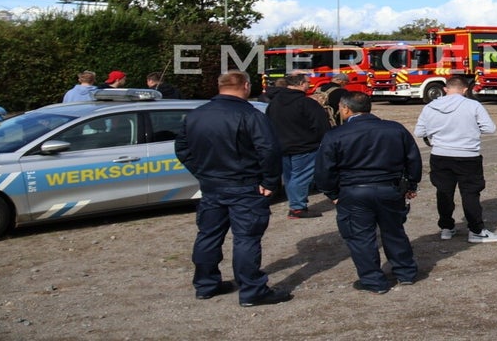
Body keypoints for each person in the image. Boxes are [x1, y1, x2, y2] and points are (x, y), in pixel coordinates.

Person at [175, 70, 290, 307]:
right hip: (243, 186)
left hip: (214, 185)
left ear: (220, 86)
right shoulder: (250, 115)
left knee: (208, 235)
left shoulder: (196, 115)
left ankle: (206, 285)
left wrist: (202, 172)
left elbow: (182, 148)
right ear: (246, 86)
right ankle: (252, 290)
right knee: (246, 238)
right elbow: (269, 149)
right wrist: (270, 182)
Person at [315, 92, 422, 293]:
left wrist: (332, 193)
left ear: (346, 109)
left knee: (361, 237)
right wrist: (411, 184)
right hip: (388, 189)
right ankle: (405, 272)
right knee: (394, 231)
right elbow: (413, 158)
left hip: (354, 192)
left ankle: (374, 281)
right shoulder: (395, 129)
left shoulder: (336, 134)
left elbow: (324, 169)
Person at [415, 76, 497, 243]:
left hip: (440, 154)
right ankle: (476, 230)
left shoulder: (430, 106)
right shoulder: (473, 105)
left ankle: (446, 228)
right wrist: (470, 129)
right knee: (470, 193)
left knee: (444, 192)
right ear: (465, 90)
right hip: (467, 155)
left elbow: (419, 132)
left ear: (445, 89)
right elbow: (490, 128)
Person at [266, 74, 331, 219]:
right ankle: (297, 208)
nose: (310, 85)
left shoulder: (274, 103)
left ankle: (295, 204)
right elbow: (321, 126)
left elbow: (268, 123)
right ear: (301, 83)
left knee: (291, 178)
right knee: (300, 178)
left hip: (282, 147)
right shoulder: (306, 103)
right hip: (305, 147)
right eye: (308, 82)